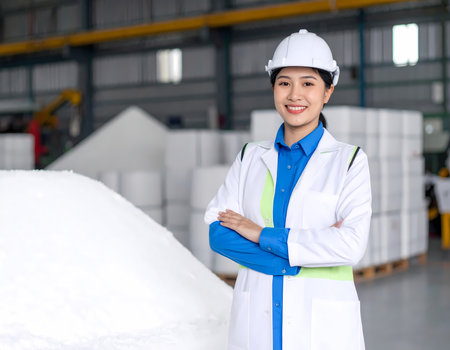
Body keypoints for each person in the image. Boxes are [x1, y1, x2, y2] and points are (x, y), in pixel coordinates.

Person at [204, 29, 372, 350]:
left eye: (308, 83)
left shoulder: (349, 161)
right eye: (284, 83)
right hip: (257, 321)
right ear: (274, 89)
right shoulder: (250, 156)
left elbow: (350, 244)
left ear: (327, 92)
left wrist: (259, 234)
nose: (295, 95)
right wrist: (290, 261)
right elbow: (218, 232)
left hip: (321, 328)